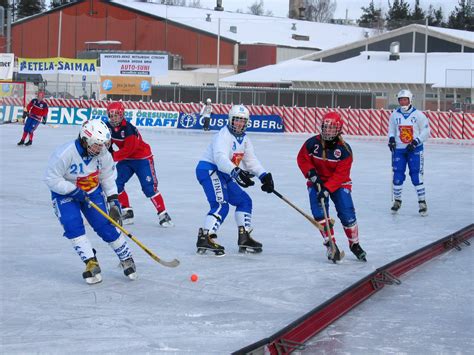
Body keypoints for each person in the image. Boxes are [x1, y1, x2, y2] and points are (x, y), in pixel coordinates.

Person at [44, 119, 137, 284]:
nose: (100, 148)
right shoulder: (65, 154)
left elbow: (107, 176)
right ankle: (90, 262)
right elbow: (51, 178)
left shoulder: (103, 155)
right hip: (65, 193)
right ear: (85, 139)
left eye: (103, 144)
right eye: (96, 144)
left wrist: (113, 200)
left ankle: (126, 257)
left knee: (105, 225)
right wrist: (72, 190)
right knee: (72, 225)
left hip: (92, 192)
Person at [195, 104, 274, 256]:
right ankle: (206, 236)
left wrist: (264, 176)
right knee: (221, 204)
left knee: (244, 201)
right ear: (230, 120)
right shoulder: (223, 135)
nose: (239, 124)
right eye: (237, 120)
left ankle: (244, 237)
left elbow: (251, 161)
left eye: (243, 121)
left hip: (225, 173)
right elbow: (220, 158)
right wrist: (236, 171)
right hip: (209, 170)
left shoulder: (245, 140)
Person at [297, 111, 366, 263]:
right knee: (320, 214)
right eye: (325, 127)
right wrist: (314, 177)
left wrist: (327, 189)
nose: (328, 131)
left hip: (339, 184)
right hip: (317, 182)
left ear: (339, 129)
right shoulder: (311, 143)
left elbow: (341, 174)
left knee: (347, 213)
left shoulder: (344, 150)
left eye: (332, 128)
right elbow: (302, 159)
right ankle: (330, 244)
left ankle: (355, 244)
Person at [105, 101, 174, 227]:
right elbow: (107, 143)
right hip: (126, 159)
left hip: (142, 158)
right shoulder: (107, 127)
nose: (114, 118)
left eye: (116, 115)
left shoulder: (128, 129)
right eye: (111, 115)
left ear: (122, 114)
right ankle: (127, 211)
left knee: (149, 188)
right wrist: (107, 153)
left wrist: (111, 157)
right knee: (116, 184)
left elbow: (128, 150)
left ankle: (163, 214)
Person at [388, 89, 430, 216]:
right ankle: (397, 201)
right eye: (400, 100)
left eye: (405, 99)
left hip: (415, 149)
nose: (402, 102)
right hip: (399, 149)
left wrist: (416, 142)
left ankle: (422, 202)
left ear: (410, 100)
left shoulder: (419, 115)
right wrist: (391, 139)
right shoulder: (395, 114)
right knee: (397, 176)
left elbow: (426, 132)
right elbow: (391, 129)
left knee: (416, 176)